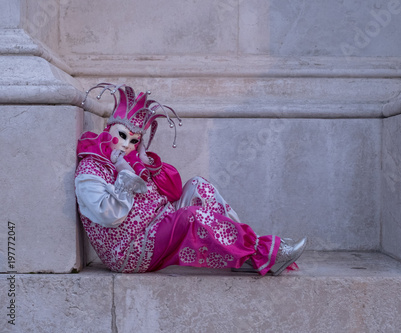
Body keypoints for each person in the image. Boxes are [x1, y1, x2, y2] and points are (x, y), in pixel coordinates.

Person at [75, 83, 306, 275]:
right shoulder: (91, 168)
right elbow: (110, 215)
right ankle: (263, 254)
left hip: (154, 225)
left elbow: (173, 194)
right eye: (122, 136)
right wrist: (124, 172)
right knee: (190, 218)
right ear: (109, 130)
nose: (127, 145)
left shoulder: (132, 162)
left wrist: (145, 162)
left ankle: (243, 254)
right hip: (128, 250)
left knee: (199, 186)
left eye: (134, 140)